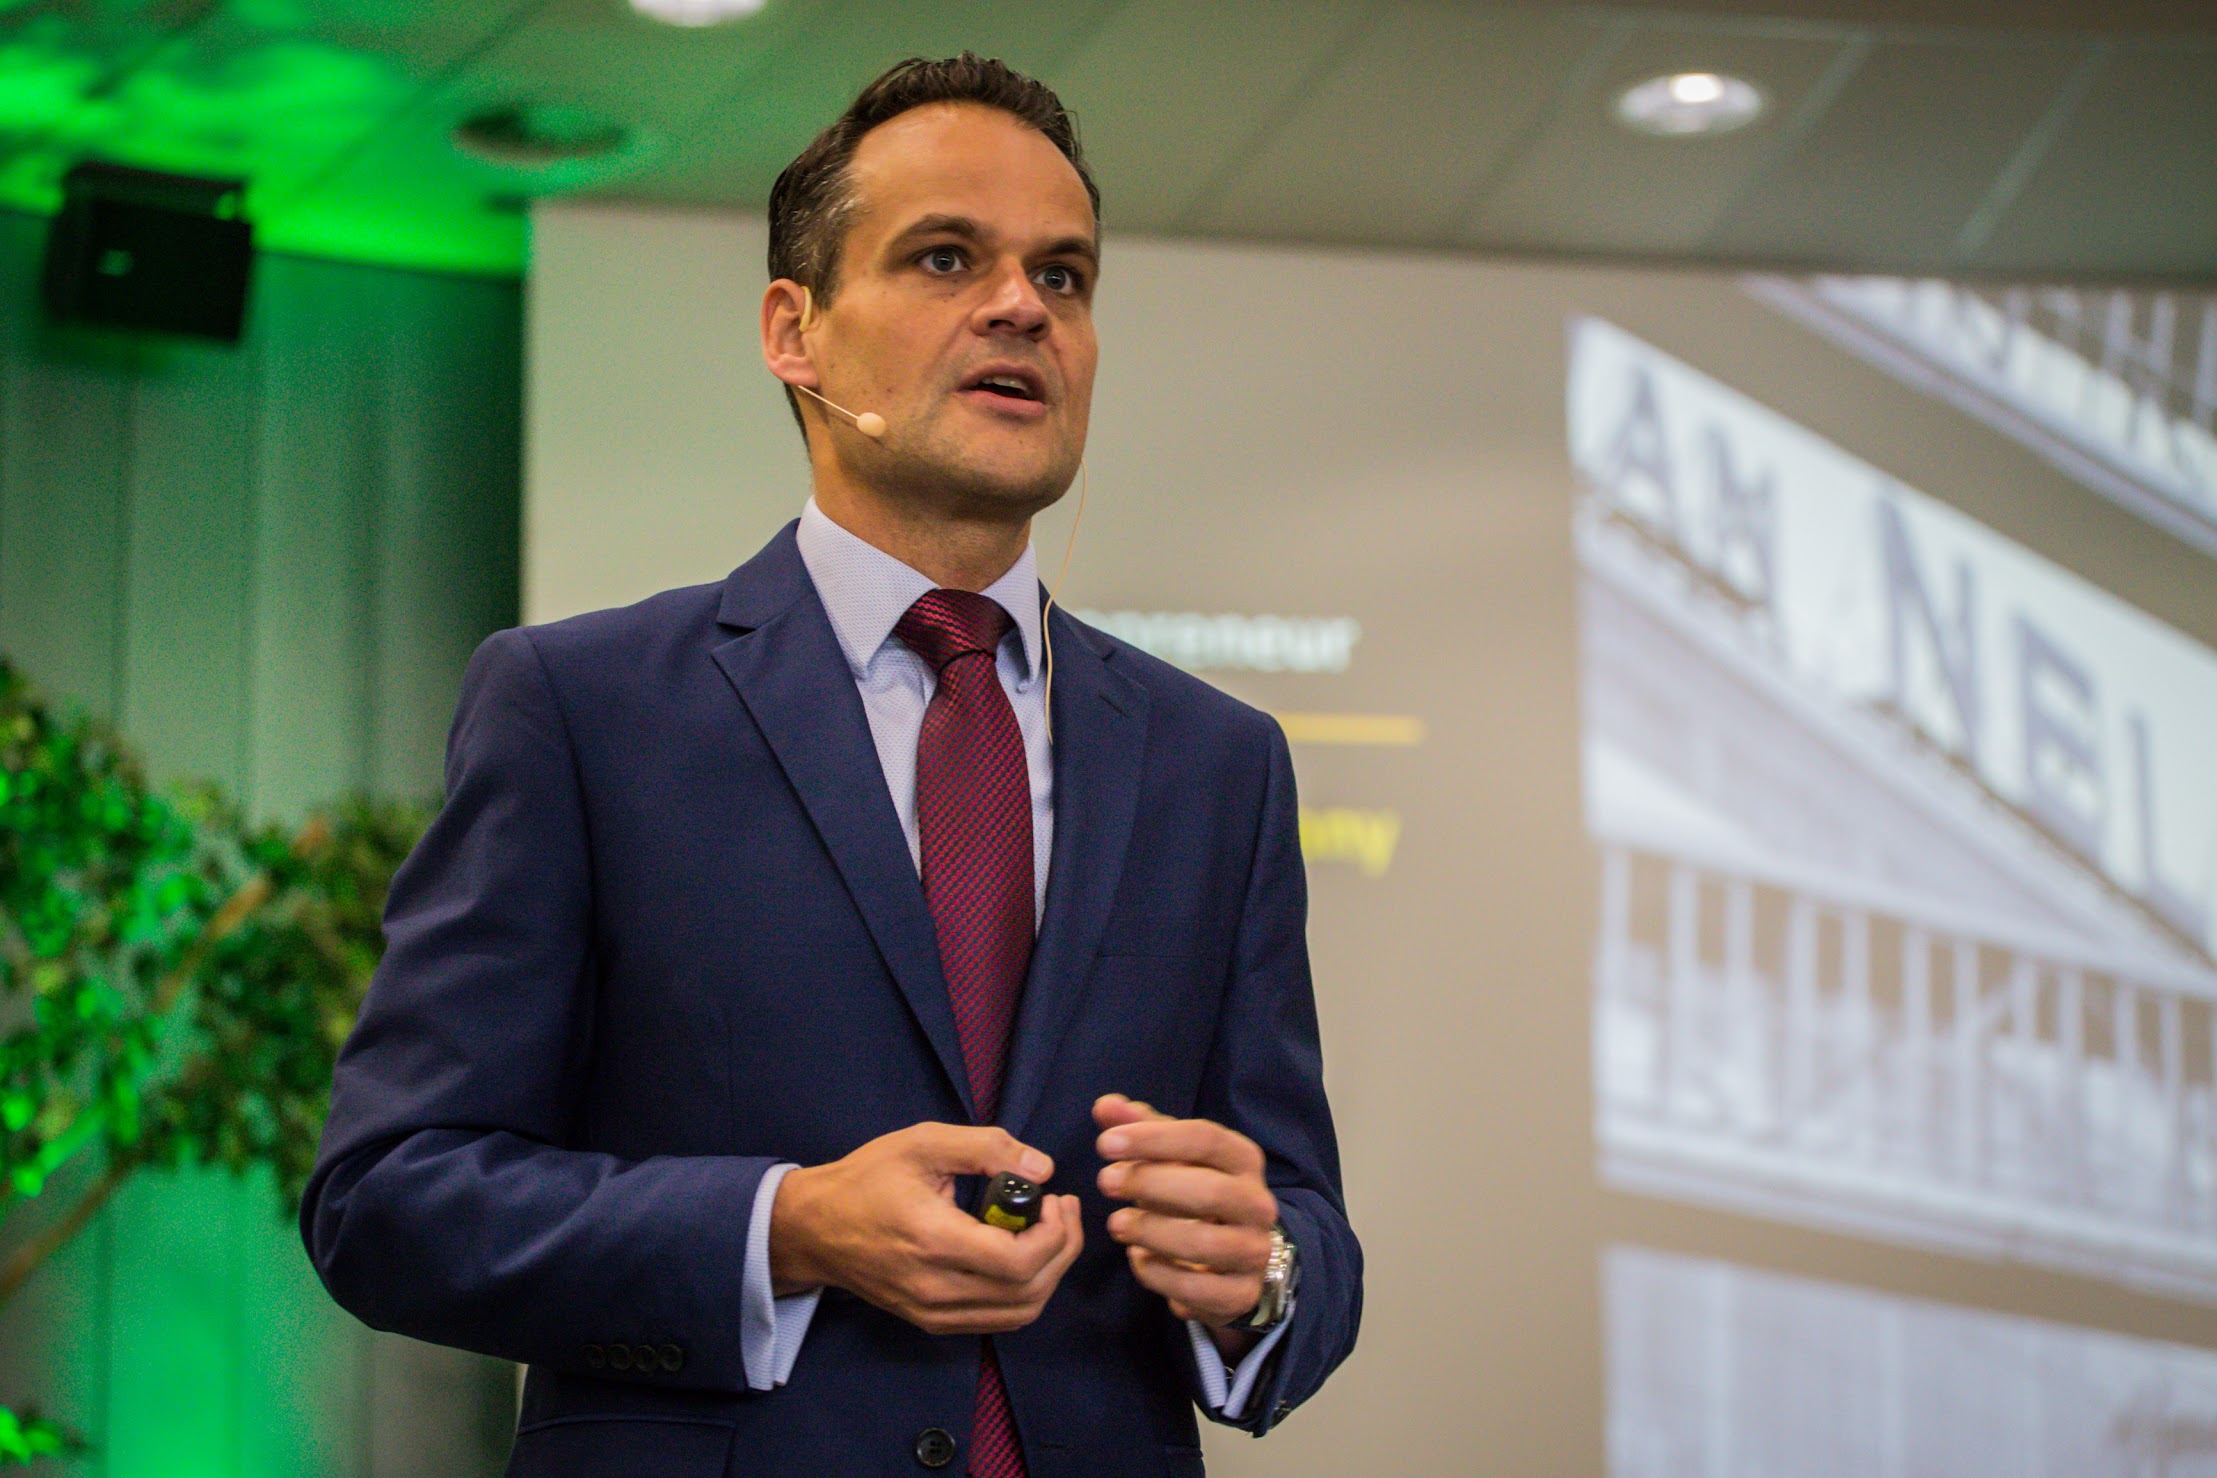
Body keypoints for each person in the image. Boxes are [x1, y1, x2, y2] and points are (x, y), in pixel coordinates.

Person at [302, 53, 1360, 1478]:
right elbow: (390, 1198)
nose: (1018, 308)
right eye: (944, 257)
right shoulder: (578, 705)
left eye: (1063, 277)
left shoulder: (1216, 762)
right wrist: (784, 1226)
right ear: (793, 331)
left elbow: (1301, 1222)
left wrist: (1260, 1271)